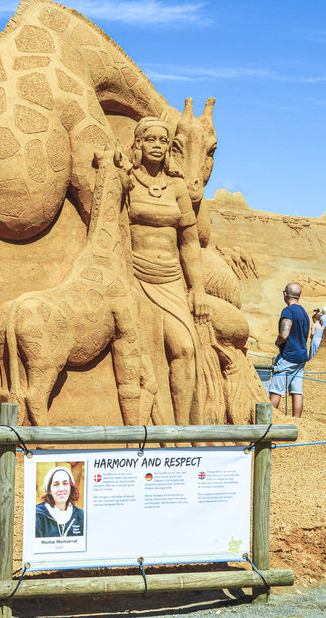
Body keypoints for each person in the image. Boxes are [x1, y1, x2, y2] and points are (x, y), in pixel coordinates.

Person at [127, 117, 209, 425]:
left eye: (163, 141)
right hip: (135, 278)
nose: (157, 145)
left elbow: (189, 242)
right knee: (142, 357)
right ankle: (149, 426)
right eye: (151, 139)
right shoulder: (129, 181)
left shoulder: (176, 187)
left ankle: (181, 428)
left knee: (185, 349)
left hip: (171, 280)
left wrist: (197, 289)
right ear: (138, 143)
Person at [269, 282, 309, 418]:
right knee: (297, 391)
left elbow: (284, 334)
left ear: (285, 294)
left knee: (276, 390)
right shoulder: (304, 312)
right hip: (301, 357)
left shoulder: (288, 311)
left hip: (288, 357)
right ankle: (298, 421)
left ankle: (268, 422)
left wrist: (277, 342)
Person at [34, 465, 85, 538]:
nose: (61, 489)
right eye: (56, 484)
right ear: (49, 490)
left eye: (65, 483)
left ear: (71, 488)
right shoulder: (38, 515)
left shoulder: (80, 516)